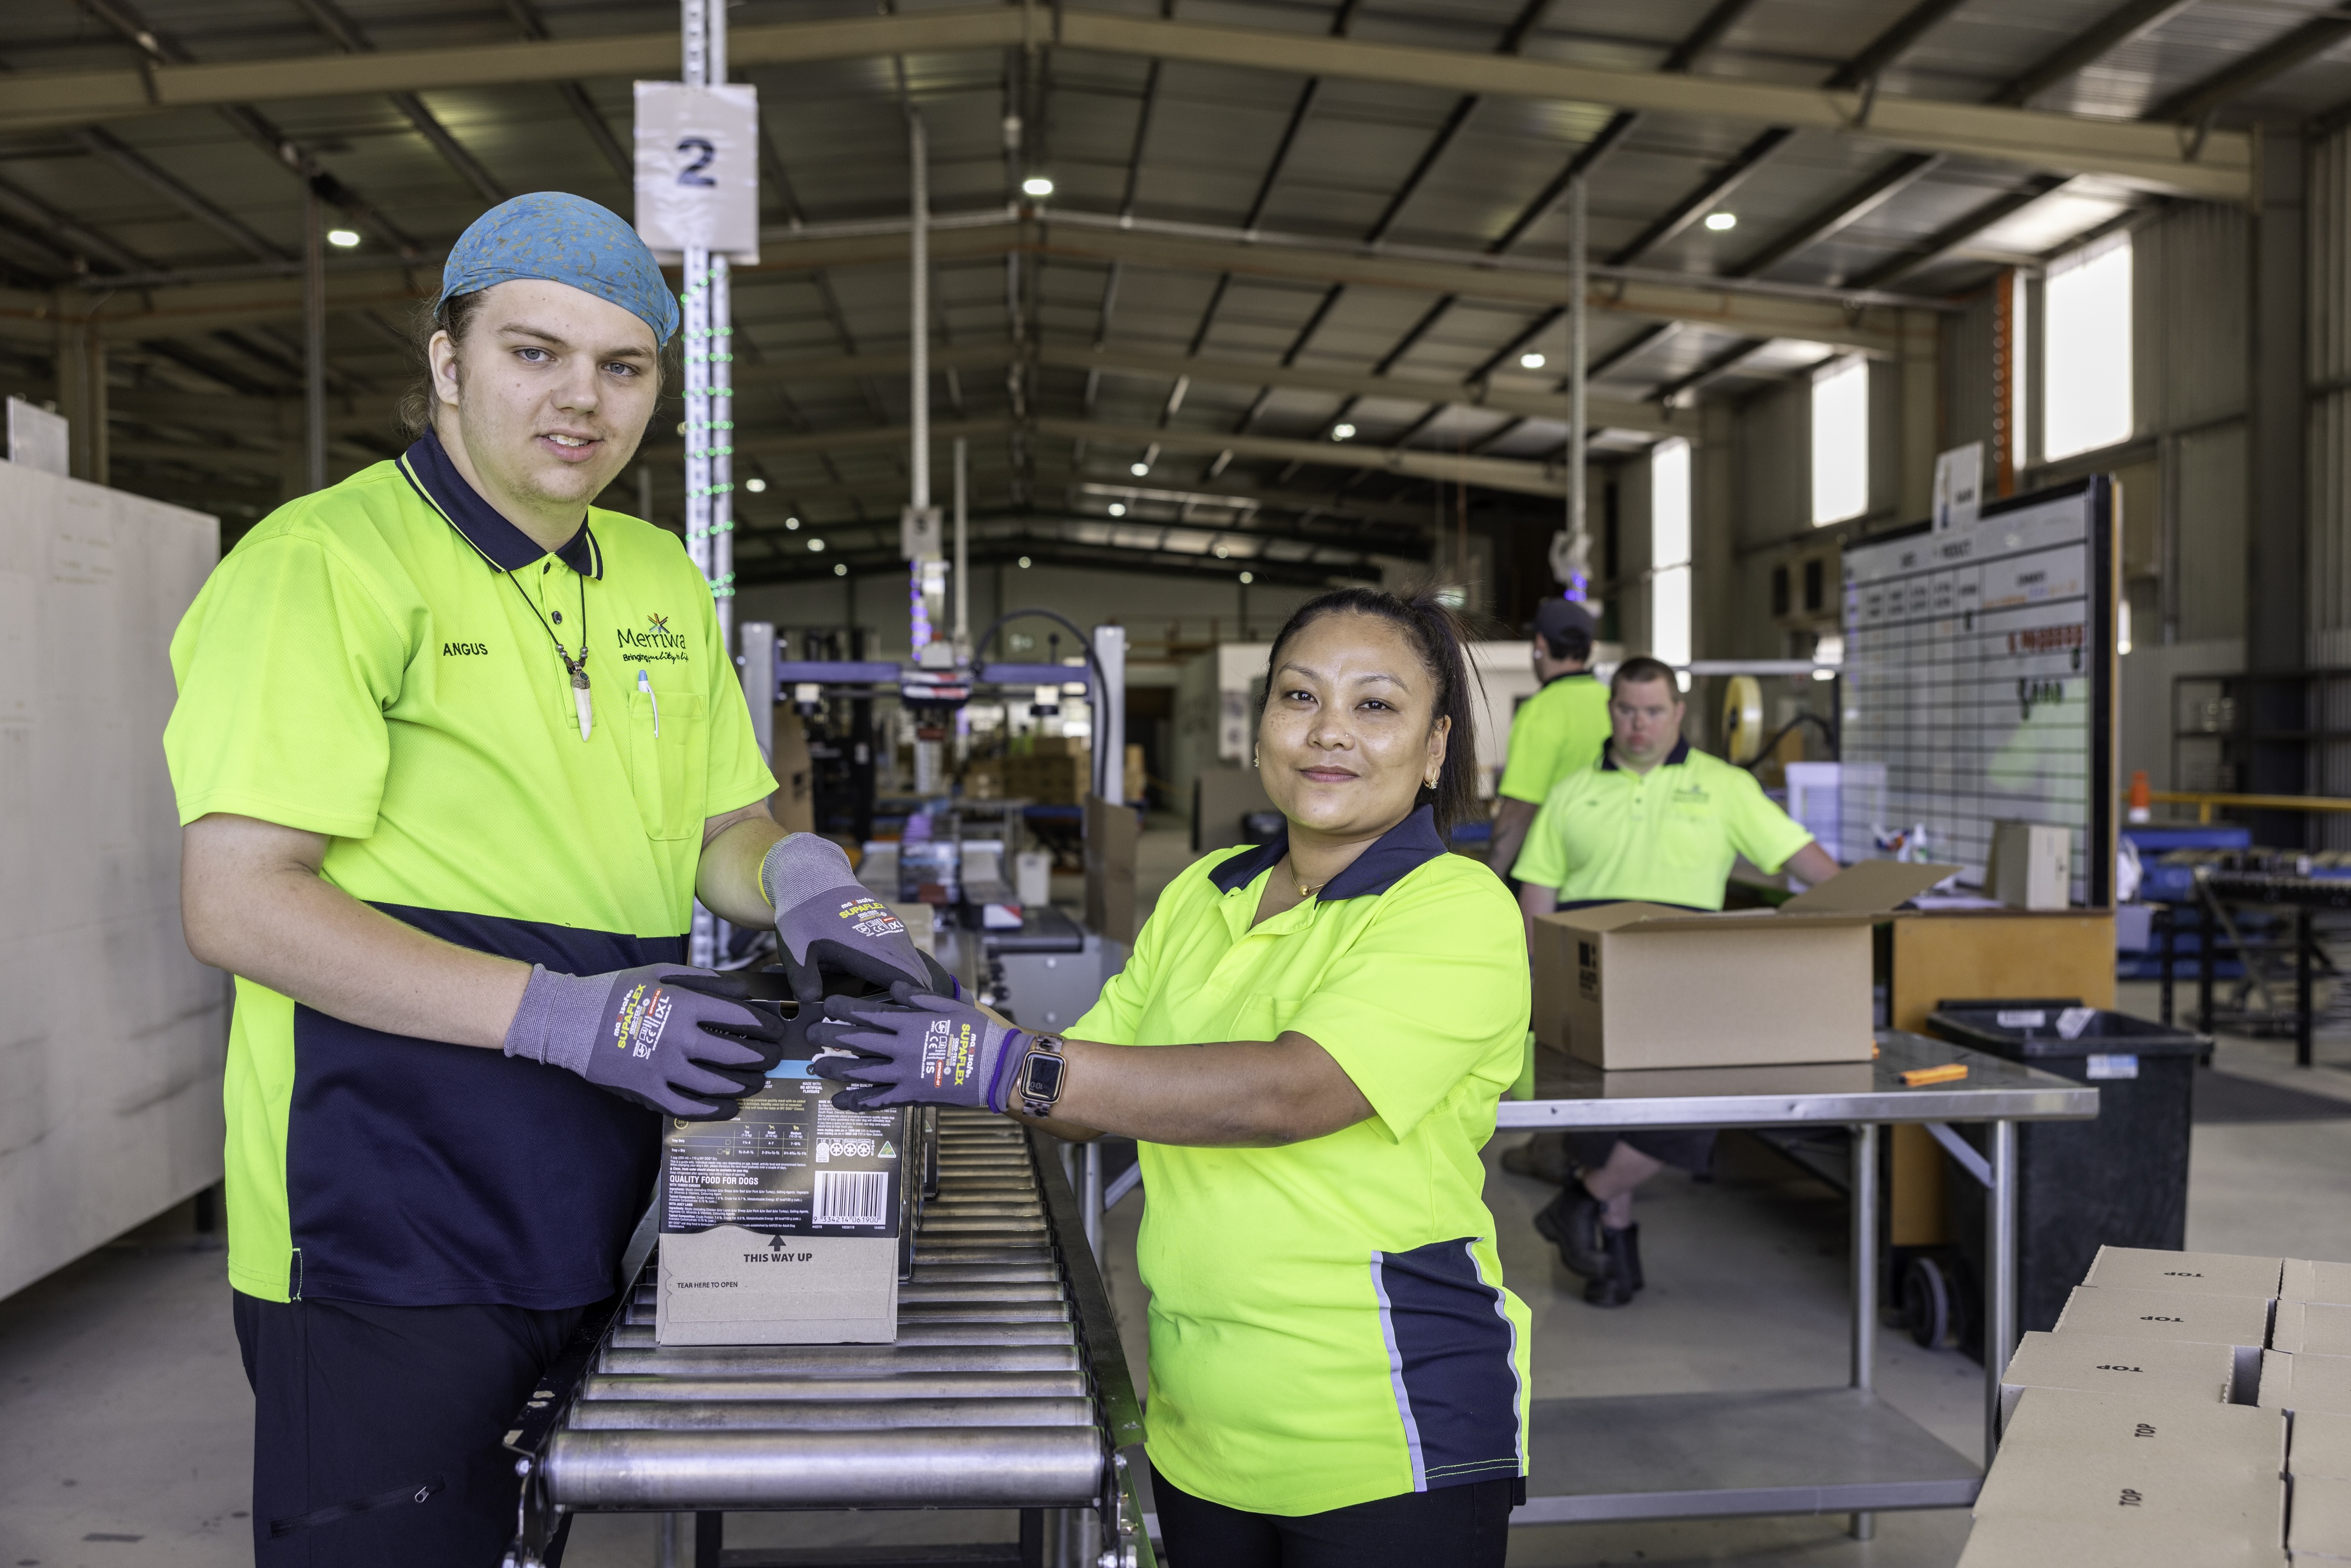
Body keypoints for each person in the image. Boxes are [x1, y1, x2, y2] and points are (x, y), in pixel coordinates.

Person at [163, 193, 943, 1567]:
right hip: (381, 1214)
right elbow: (240, 898)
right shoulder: (324, 565)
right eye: (535, 352)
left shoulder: (654, 574)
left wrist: (817, 881)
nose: (582, 398)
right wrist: (579, 1017)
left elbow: (726, 825)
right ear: (448, 359)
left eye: (623, 365)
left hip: (593, 1183)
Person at [807, 588, 1532, 1568]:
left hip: (1385, 1424)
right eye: (1298, 696)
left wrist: (1001, 1062)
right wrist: (932, 1007)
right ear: (1264, 723)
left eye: (1375, 705)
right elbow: (1086, 1092)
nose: (1328, 733)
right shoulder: (1206, 888)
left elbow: (1291, 1093)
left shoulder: (1453, 908)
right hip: (1199, 1420)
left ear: (1435, 745)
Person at [1510, 655, 1842, 1308]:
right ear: (1611, 711)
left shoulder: (1722, 785)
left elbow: (1799, 855)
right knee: (1601, 1119)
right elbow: (1536, 895)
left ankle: (1582, 1201)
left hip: (1683, 975)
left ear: (1679, 712)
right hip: (1589, 969)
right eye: (1627, 709)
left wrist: (1864, 895)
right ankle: (1614, 1251)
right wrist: (1531, 983)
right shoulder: (1573, 791)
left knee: (1689, 1111)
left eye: (1654, 710)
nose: (1639, 724)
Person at [1484, 595, 1609, 886]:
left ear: (1539, 644)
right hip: (1607, 863)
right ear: (1589, 648)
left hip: (1552, 872)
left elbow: (1520, 809)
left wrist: (1488, 880)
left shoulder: (1541, 711)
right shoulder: (1613, 702)